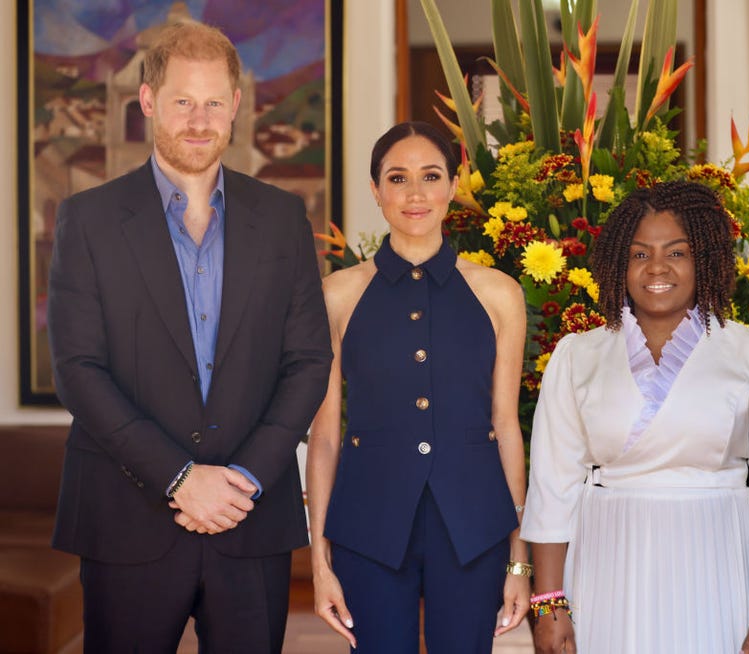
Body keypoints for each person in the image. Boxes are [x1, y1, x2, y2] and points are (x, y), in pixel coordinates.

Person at [46, 21, 332, 652]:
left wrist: (243, 480)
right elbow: (78, 368)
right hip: (125, 519)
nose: (198, 121)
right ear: (147, 101)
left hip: (249, 518)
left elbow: (309, 360)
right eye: (182, 102)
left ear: (235, 105)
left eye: (213, 103)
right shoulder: (88, 219)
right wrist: (181, 477)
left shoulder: (283, 219)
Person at [522, 181, 749, 654]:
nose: (657, 268)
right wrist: (549, 601)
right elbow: (553, 487)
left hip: (717, 556)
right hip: (605, 564)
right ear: (619, 263)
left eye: (677, 252)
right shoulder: (578, 355)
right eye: (639, 255)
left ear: (705, 260)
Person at [305, 121, 530, 653]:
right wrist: (319, 561)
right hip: (368, 527)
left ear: (454, 185)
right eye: (397, 178)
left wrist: (519, 560)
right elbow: (325, 437)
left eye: (430, 176)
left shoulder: (500, 294)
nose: (415, 193)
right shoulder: (336, 295)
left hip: (475, 530)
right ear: (376, 191)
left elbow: (507, 427)